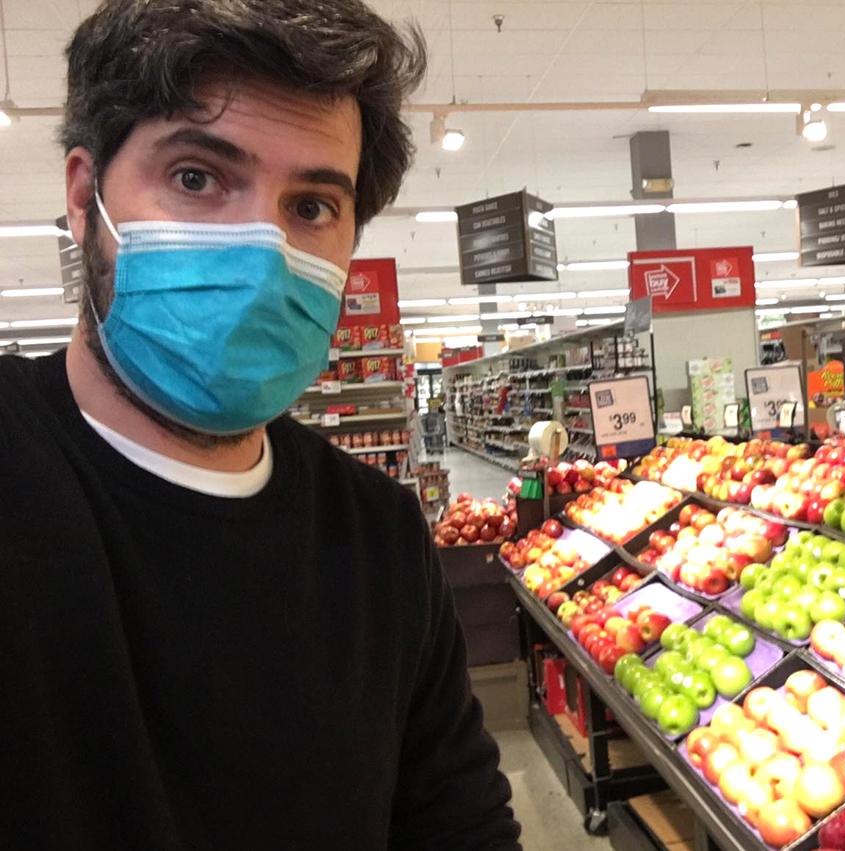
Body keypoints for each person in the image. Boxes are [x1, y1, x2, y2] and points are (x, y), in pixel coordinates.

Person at [0, 2, 522, 848]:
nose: (261, 251)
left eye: (312, 205)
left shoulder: (381, 538)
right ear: (83, 196)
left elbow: (457, 821)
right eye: (197, 177)